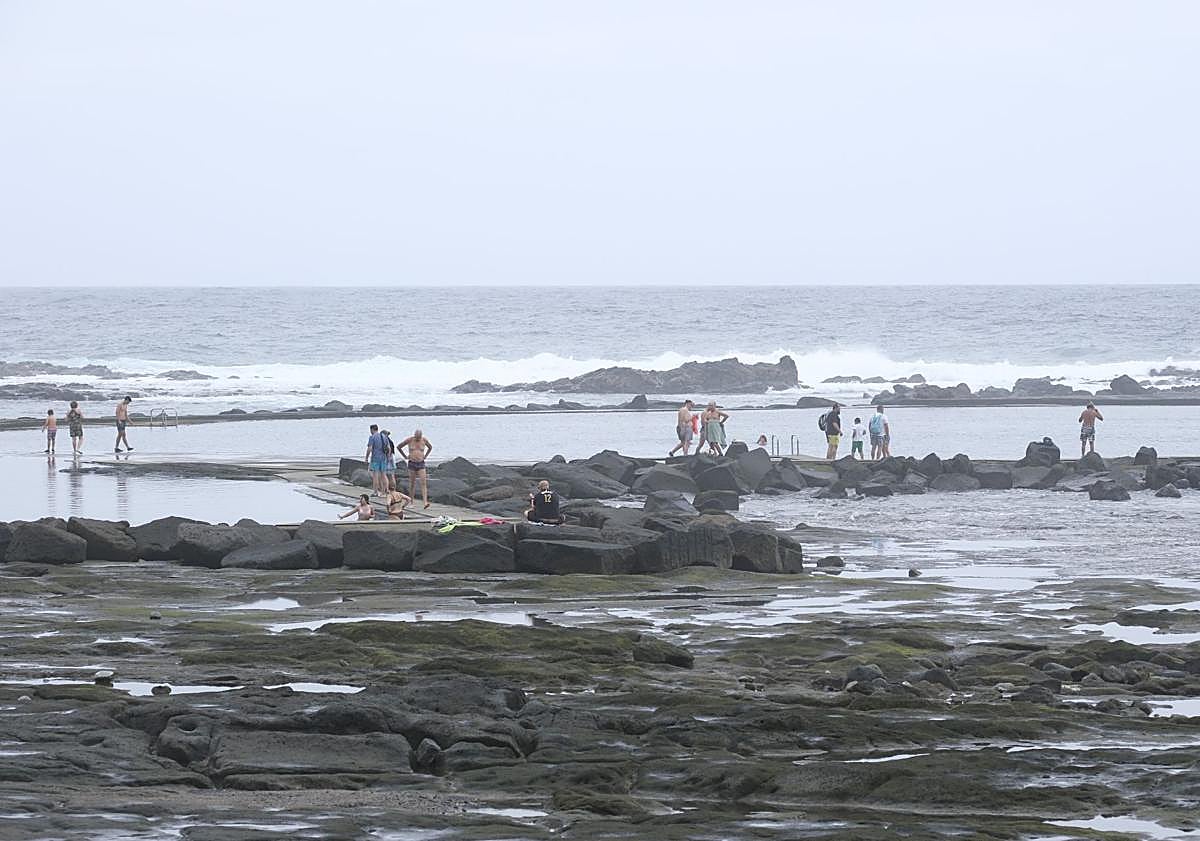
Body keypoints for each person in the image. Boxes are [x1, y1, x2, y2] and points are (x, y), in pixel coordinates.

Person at [399, 429, 433, 509]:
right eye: (416, 437)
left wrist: (426, 456)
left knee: (423, 482)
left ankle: (425, 502)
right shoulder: (410, 440)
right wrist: (405, 456)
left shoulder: (424, 440)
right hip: (412, 463)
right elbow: (399, 447)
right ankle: (411, 502)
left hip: (421, 463)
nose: (418, 439)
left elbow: (430, 447)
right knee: (412, 483)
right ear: (414, 435)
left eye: (419, 437)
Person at [363, 424, 389, 496]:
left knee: (375, 476)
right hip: (383, 458)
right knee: (384, 475)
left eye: (370, 430)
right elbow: (388, 448)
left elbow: (370, 448)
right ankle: (385, 491)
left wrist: (366, 458)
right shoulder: (384, 436)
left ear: (372, 429)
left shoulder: (372, 437)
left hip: (375, 459)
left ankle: (375, 492)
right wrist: (387, 457)